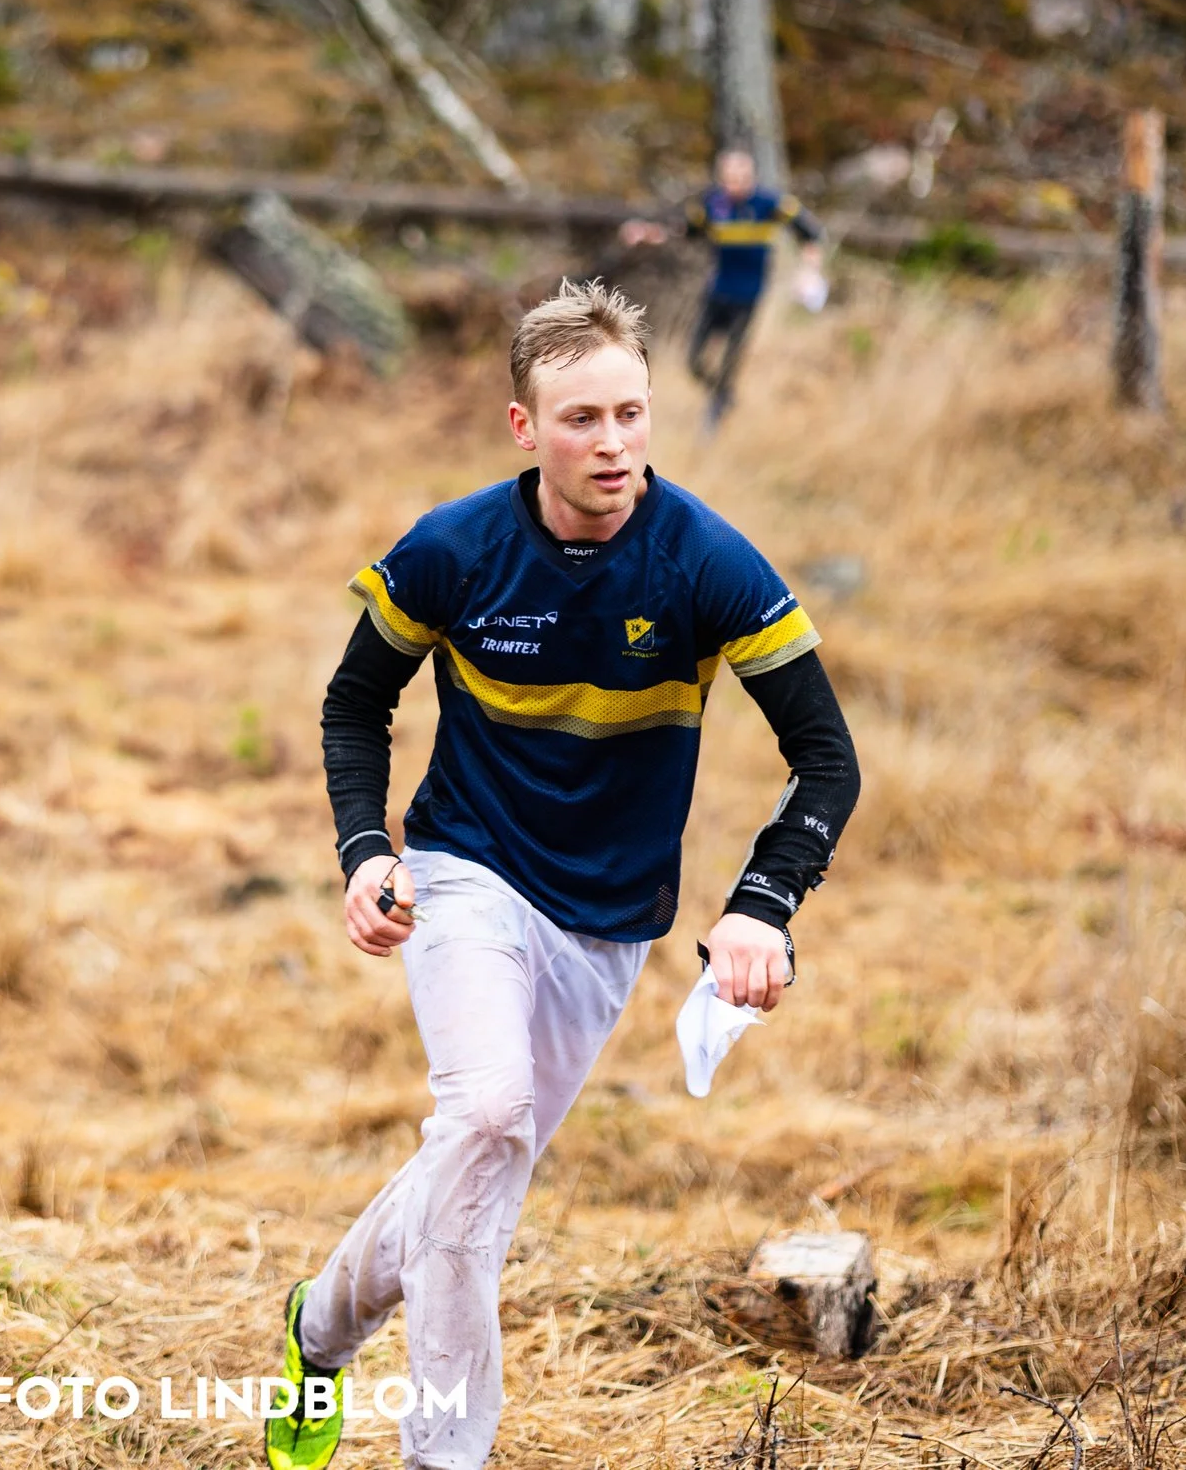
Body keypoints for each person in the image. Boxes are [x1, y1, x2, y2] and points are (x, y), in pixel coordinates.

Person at [265, 281, 860, 1470]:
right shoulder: (452, 550)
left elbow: (825, 760)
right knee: (484, 1114)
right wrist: (362, 846)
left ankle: (318, 1326)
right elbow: (353, 701)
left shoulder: (703, 560)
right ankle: (446, 1454)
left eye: (631, 413)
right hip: (463, 868)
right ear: (523, 427)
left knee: (472, 1166)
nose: (613, 444)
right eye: (582, 417)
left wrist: (761, 903)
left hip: (607, 919)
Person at [619, 147, 825, 427]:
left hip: (749, 295)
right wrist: (646, 233)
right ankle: (723, 394)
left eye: (741, 177)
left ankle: (714, 417)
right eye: (729, 178)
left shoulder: (772, 204)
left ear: (752, 176)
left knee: (730, 360)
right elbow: (681, 231)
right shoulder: (712, 205)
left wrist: (809, 271)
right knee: (694, 361)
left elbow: (811, 234)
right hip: (717, 291)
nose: (735, 184)